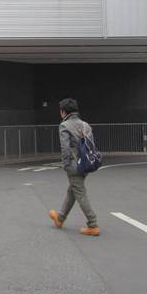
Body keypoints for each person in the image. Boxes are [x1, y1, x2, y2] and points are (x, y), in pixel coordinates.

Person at [49, 98, 100, 236]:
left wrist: (65, 164)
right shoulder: (85, 125)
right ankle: (60, 218)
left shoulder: (64, 126)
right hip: (86, 165)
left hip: (73, 165)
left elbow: (65, 148)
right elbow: (91, 146)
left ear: (63, 112)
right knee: (72, 191)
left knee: (79, 193)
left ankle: (93, 224)